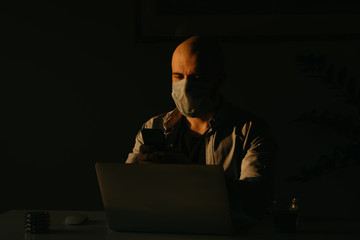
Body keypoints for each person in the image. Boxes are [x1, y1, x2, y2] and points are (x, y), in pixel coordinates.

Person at [126, 36, 277, 229]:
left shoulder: (250, 131)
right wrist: (137, 174)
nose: (186, 86)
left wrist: (190, 173)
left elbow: (255, 201)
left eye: (197, 77)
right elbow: (125, 193)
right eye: (178, 76)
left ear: (219, 81)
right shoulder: (153, 127)